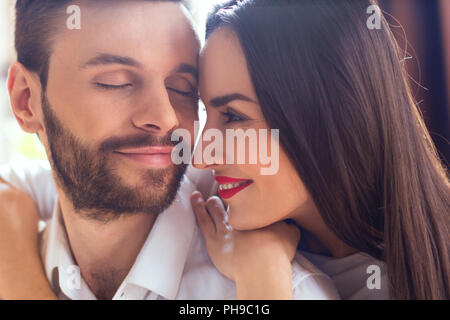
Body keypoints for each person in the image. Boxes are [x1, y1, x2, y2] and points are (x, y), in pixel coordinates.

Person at [0, 0, 339, 300]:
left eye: (182, 88)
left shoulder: (286, 291)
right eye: (116, 82)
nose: (165, 118)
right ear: (25, 100)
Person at [188, 0, 449, 300]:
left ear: (332, 117)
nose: (202, 156)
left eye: (233, 117)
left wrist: (262, 275)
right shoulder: (206, 207)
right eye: (205, 111)